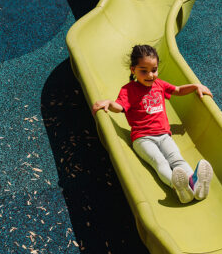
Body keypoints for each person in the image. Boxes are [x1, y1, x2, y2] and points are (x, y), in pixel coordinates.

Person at [92, 44, 214, 204]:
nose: (150, 75)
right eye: (144, 71)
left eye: (154, 70)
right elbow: (120, 107)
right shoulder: (129, 90)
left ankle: (195, 184)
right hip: (142, 138)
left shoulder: (159, 85)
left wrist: (195, 86)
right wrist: (108, 103)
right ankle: (177, 187)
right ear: (133, 70)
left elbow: (177, 90)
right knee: (160, 162)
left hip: (164, 135)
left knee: (177, 160)